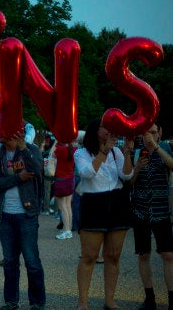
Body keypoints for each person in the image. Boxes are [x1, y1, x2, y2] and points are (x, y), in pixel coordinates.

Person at [74, 119, 133, 310]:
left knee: (113, 255)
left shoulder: (117, 152)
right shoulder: (81, 153)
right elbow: (87, 173)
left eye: (110, 128)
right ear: (94, 131)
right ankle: (83, 302)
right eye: (104, 127)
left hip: (117, 202)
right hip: (93, 203)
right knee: (89, 256)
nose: (108, 131)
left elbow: (127, 175)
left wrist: (127, 154)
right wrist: (105, 150)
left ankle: (110, 300)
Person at [0, 130, 46, 310]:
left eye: (4, 132)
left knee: (32, 260)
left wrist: (23, 148)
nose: (0, 135)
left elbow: (37, 170)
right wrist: (18, 178)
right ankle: (11, 301)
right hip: (5, 215)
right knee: (10, 261)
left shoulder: (31, 150)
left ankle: (37, 302)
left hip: (27, 213)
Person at [129, 123, 173, 310]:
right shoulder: (136, 152)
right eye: (147, 133)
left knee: (168, 255)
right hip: (140, 210)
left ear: (160, 133)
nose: (150, 136)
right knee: (144, 254)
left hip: (161, 210)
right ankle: (150, 298)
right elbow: (129, 181)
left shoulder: (165, 148)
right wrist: (137, 166)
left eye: (154, 132)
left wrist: (155, 147)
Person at [53, 141, 77, 240]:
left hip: (60, 179)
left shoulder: (60, 149)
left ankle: (66, 230)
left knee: (62, 207)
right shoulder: (74, 149)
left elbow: (52, 155)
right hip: (70, 179)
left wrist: (56, 142)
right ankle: (68, 229)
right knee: (67, 206)